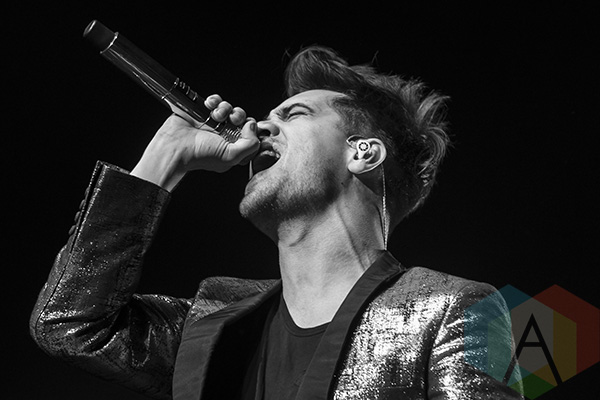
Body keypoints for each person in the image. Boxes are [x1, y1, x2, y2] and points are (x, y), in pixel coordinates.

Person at [30, 46, 523, 399]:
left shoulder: (452, 310)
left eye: (294, 114)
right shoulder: (213, 318)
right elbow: (69, 324)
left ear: (363, 153)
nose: (260, 126)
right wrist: (167, 155)